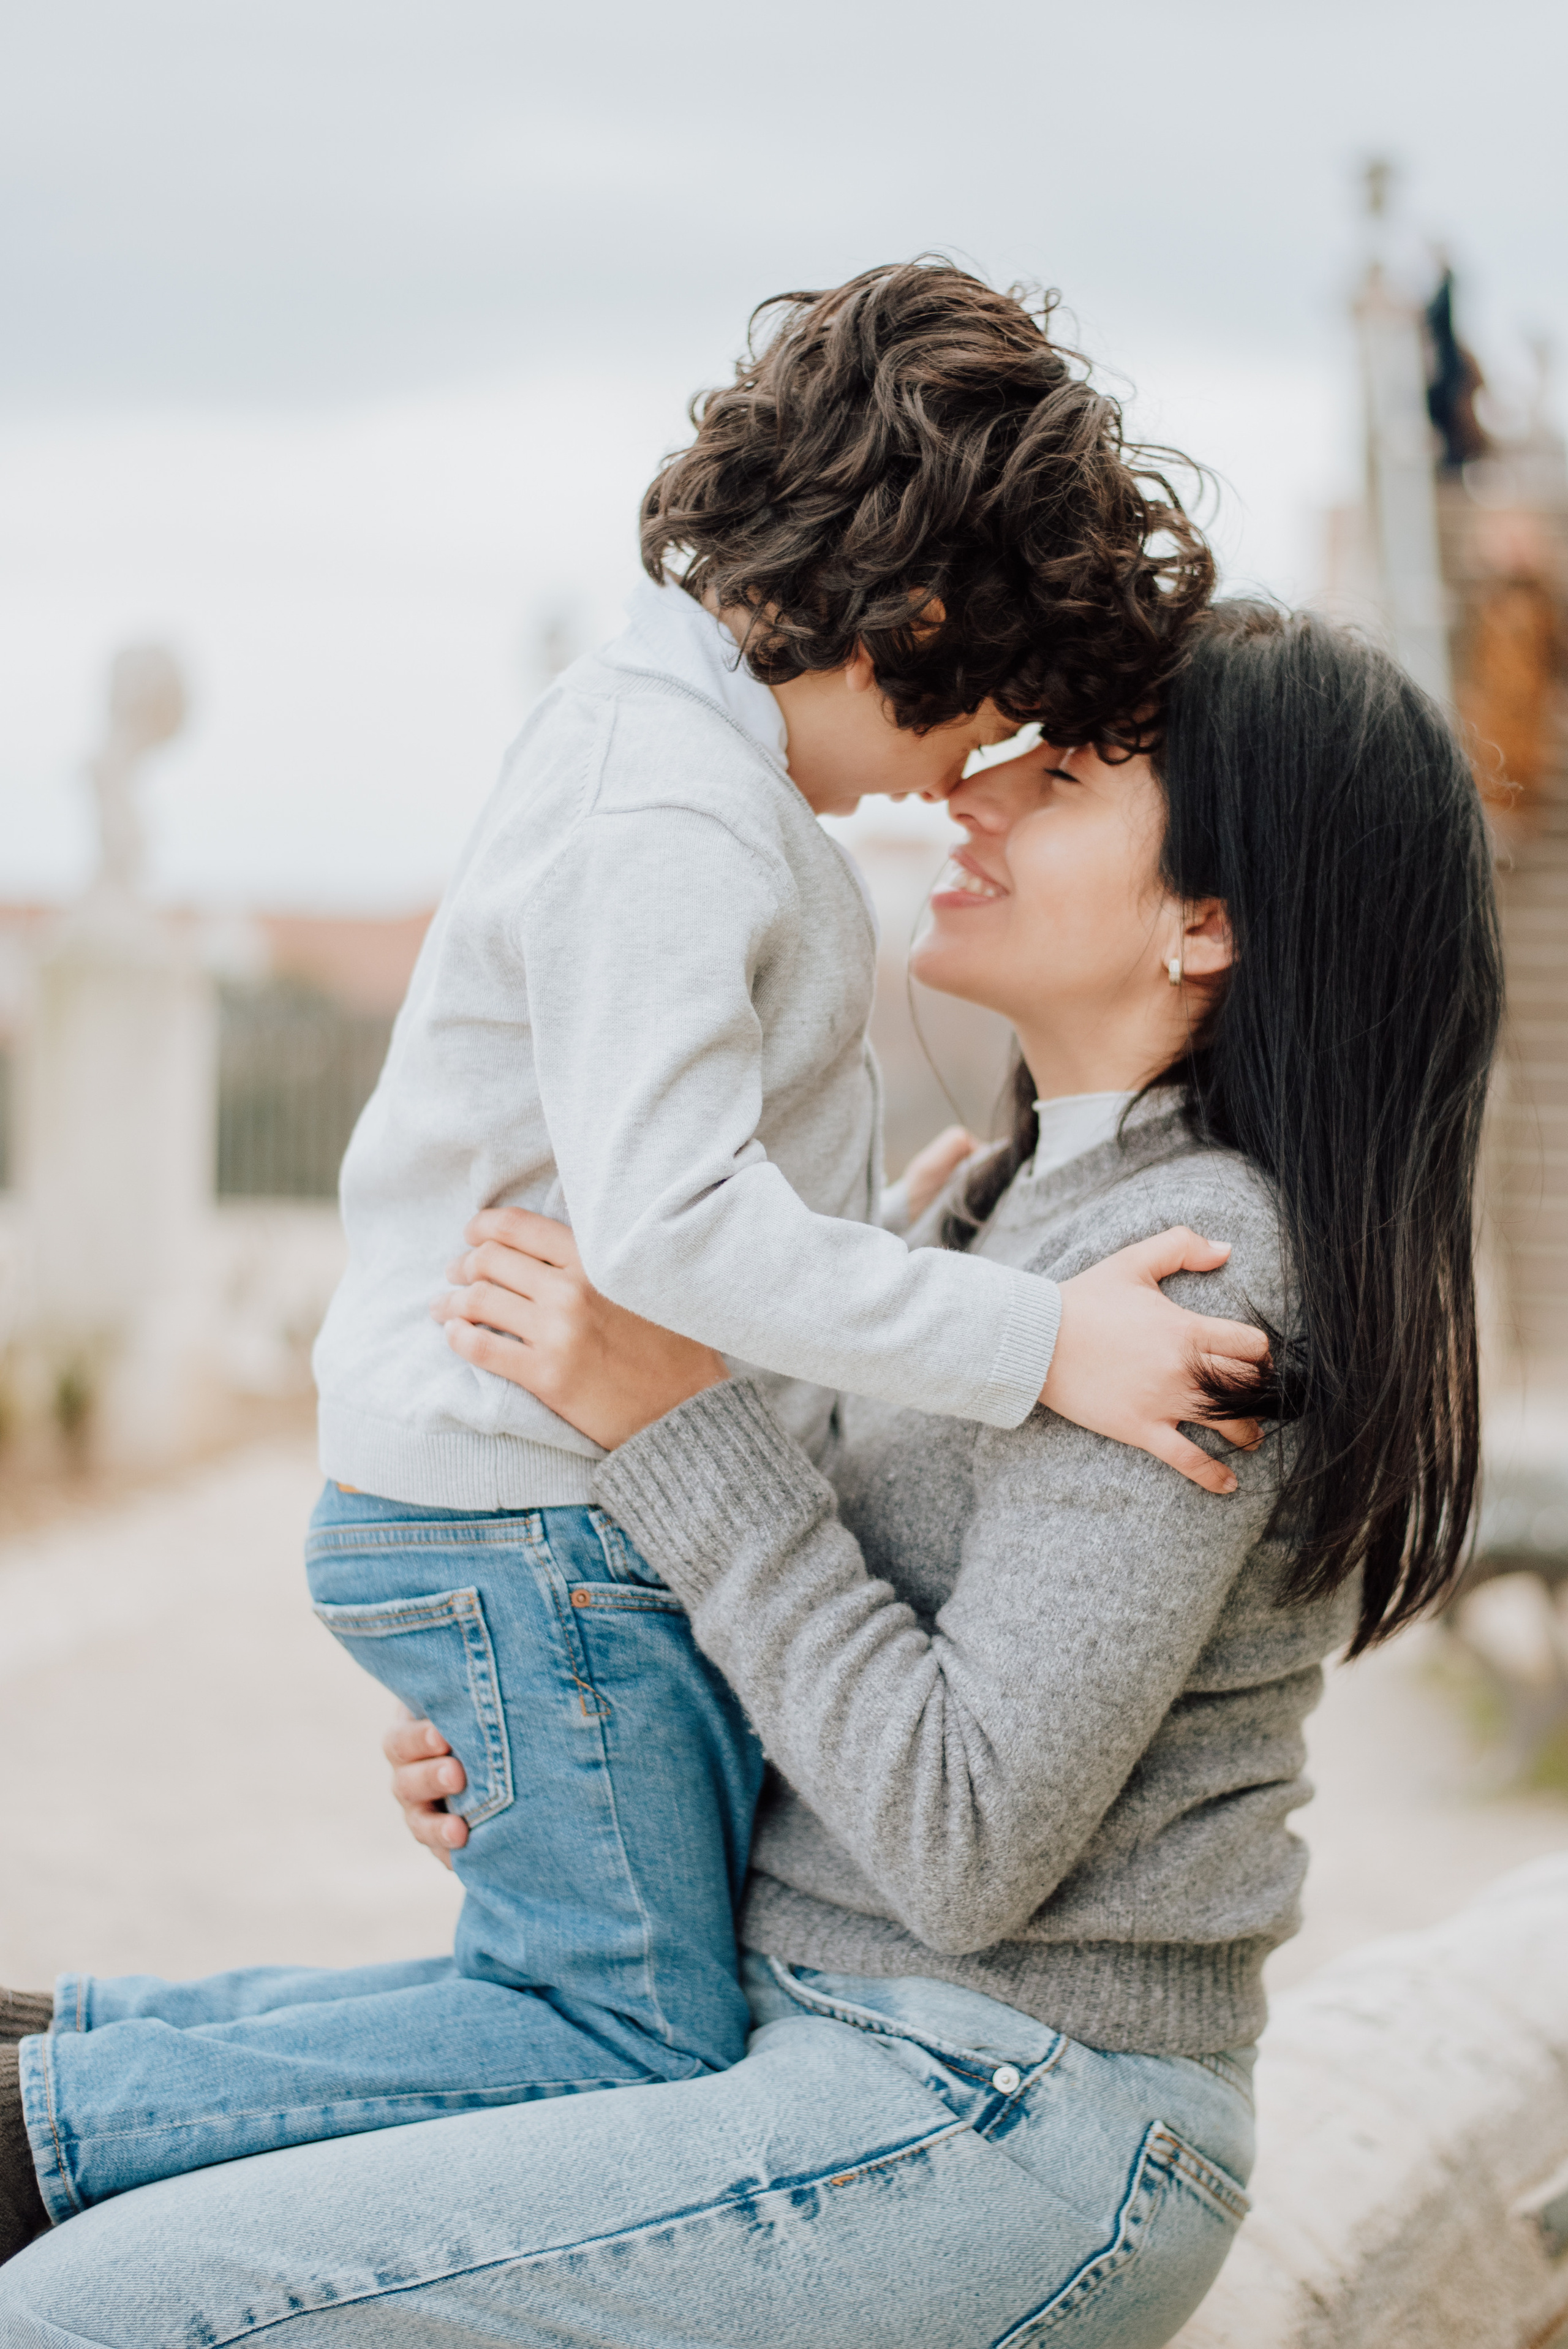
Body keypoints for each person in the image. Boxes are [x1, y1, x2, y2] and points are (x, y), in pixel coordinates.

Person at [1, 601, 1503, 2346]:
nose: (983, 786)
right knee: (111, 2159)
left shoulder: (1197, 1269)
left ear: (1210, 919)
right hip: (804, 2023)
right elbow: (835, 1650)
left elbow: (959, 1835)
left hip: (1010, 2113)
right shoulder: (1003, 1218)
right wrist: (555, 1742)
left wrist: (675, 1415)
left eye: (1074, 771)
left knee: (98, 2306)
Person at [0, 263, 1263, 2256]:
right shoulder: (669, 803)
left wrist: (883, 1251)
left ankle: (73, 2066)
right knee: (614, 2025)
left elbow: (709, 1215)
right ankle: (57, 2128)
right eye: (996, 713)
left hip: (539, 1514)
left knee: (569, 1998)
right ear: (915, 622)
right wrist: (1031, 1337)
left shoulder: (675, 761)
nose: (968, 777)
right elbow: (676, 1227)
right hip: (526, 1512)